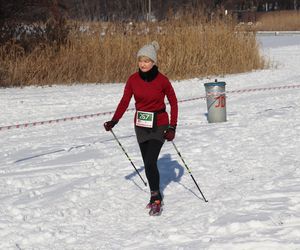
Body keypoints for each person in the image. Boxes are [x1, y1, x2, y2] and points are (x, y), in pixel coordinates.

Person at [103, 41, 178, 209]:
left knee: (150, 161)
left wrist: (172, 126)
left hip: (159, 124)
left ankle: (156, 197)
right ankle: (154, 192)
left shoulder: (162, 80)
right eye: (140, 60)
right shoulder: (133, 80)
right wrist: (114, 120)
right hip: (141, 125)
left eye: (147, 61)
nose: (143, 64)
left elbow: (173, 102)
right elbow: (124, 101)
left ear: (153, 62)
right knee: (148, 162)